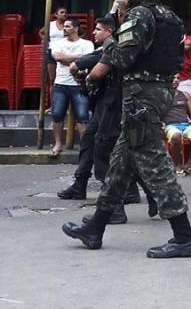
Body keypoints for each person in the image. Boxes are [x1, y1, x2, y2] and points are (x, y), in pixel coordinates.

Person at [62, 0, 191, 258]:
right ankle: (95, 227)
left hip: (141, 96)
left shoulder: (140, 15)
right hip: (157, 92)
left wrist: (111, 41)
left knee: (155, 163)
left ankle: (184, 235)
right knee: (121, 163)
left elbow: (123, 57)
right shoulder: (171, 18)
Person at [58, 17, 154, 222]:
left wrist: (86, 76)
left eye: (98, 29)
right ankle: (81, 184)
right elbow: (94, 59)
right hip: (106, 104)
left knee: (108, 151)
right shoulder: (108, 48)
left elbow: (99, 67)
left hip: (115, 105)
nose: (94, 32)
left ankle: (120, 205)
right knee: (91, 142)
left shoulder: (118, 48)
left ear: (109, 31)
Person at [49, 17, 94, 156]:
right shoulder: (57, 43)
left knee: (82, 116)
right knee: (57, 114)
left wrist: (67, 59)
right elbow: (57, 57)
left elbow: (87, 60)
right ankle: (58, 144)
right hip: (61, 83)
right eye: (64, 26)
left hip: (79, 84)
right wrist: (78, 59)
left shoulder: (87, 44)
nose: (65, 29)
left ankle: (85, 146)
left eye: (68, 26)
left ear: (75, 28)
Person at [164, 77, 191, 173]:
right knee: (176, 136)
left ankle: (189, 163)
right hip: (170, 126)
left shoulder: (185, 95)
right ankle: (177, 165)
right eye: (173, 78)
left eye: (177, 78)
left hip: (186, 126)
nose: (175, 80)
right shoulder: (162, 96)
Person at [177, 27, 191, 100]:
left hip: (184, 79)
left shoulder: (189, 37)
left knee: (189, 102)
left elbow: (187, 46)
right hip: (171, 78)